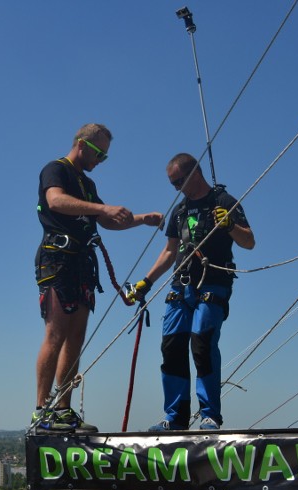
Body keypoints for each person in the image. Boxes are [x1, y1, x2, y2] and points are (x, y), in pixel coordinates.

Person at [34, 123, 164, 432]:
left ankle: (63, 409)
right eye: (99, 155)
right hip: (58, 259)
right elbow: (56, 201)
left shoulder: (88, 184)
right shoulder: (57, 170)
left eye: (104, 157)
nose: (100, 161)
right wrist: (102, 207)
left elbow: (105, 222)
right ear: (81, 145)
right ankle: (41, 409)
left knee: (76, 337)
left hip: (82, 262)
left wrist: (141, 219)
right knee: (56, 333)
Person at [130, 153, 255, 431]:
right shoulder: (180, 211)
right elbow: (169, 252)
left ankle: (210, 415)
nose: (175, 188)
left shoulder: (223, 202)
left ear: (193, 174)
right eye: (172, 183)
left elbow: (249, 242)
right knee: (172, 347)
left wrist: (230, 226)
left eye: (178, 182)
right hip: (180, 286)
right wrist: (145, 283)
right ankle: (175, 418)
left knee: (202, 343)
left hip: (212, 284)